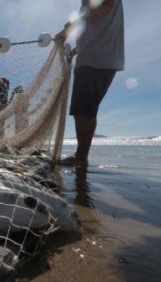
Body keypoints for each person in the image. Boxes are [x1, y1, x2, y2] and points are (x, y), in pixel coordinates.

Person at [56, 0, 124, 166]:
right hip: (94, 59)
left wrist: (67, 29)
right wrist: (77, 50)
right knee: (82, 109)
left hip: (96, 61)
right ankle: (80, 156)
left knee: (84, 110)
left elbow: (101, 10)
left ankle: (81, 157)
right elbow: (95, 28)